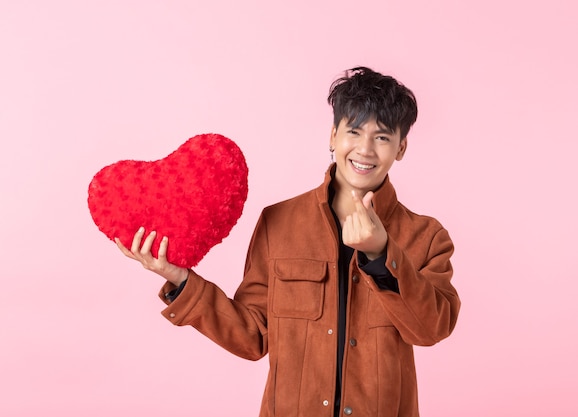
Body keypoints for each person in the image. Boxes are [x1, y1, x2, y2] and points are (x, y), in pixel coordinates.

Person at [116, 67, 460, 417]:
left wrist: (381, 252)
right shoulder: (278, 223)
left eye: (383, 137)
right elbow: (252, 336)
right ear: (333, 136)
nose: (365, 149)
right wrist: (180, 280)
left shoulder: (427, 237)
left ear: (401, 148)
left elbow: (431, 329)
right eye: (354, 131)